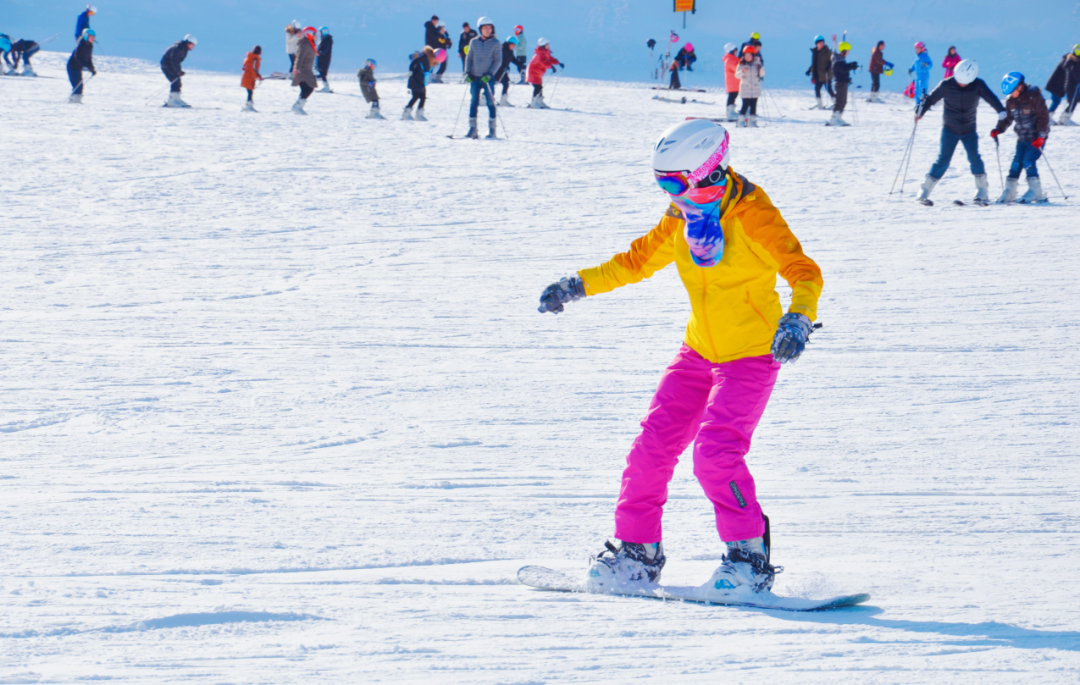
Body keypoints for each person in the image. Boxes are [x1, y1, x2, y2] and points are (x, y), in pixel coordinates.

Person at [536, 118, 823, 595]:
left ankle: (748, 561)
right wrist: (577, 285)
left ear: (708, 170)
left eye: (673, 182)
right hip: (697, 353)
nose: (668, 193)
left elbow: (804, 271)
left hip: (751, 355)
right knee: (650, 449)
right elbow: (635, 261)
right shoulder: (683, 214)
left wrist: (798, 318)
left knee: (716, 453)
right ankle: (636, 555)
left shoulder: (751, 214)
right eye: (660, 183)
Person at [914, 60, 1005, 206]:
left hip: (969, 130)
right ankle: (923, 192)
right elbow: (930, 99)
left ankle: (982, 192)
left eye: (965, 82)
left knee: (975, 159)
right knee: (943, 160)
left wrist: (1001, 110)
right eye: (959, 80)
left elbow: (991, 97)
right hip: (949, 129)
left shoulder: (978, 85)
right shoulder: (946, 84)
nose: (961, 84)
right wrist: (920, 111)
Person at [992, 72, 1051, 204]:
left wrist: (1041, 136)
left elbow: (1044, 117)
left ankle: (1036, 192)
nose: (1011, 94)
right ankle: (1010, 191)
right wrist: (999, 129)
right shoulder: (1010, 100)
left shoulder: (1034, 96)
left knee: (1028, 161)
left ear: (1020, 86)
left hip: (1036, 137)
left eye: (1013, 91)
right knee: (1016, 163)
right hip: (1022, 137)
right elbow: (1008, 118)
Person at [463, 16, 502, 139]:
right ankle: (472, 129)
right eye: (485, 27)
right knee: (473, 102)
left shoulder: (496, 43)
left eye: (489, 27)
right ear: (480, 29)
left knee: (490, 102)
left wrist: (490, 74)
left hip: (488, 79)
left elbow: (498, 61)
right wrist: (467, 73)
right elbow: (468, 58)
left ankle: (492, 130)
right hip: (475, 77)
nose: (488, 30)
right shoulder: (474, 42)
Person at [828, 41, 858, 127]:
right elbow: (843, 69)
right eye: (847, 51)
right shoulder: (837, 60)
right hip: (839, 83)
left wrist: (851, 66)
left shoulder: (840, 59)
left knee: (844, 101)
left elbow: (844, 70)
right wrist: (851, 66)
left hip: (843, 82)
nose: (848, 53)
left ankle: (838, 117)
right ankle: (833, 118)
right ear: (844, 51)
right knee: (839, 101)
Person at [526, 38, 563, 109]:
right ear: (543, 45)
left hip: (537, 73)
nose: (548, 45)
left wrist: (558, 63)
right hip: (533, 72)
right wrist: (551, 66)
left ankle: (539, 101)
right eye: (547, 44)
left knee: (540, 87)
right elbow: (543, 62)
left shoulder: (545, 53)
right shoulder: (540, 54)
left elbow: (550, 59)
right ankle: (533, 102)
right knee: (537, 87)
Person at [161, 35, 196, 108]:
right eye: (193, 45)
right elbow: (174, 61)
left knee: (178, 81)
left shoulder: (183, 48)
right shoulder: (179, 48)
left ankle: (176, 99)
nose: (193, 47)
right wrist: (178, 71)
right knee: (175, 81)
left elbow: (177, 62)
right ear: (188, 43)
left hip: (170, 65)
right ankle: (171, 101)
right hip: (167, 65)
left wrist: (179, 71)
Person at [404, 45, 436, 121]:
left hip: (421, 81)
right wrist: (411, 71)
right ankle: (406, 113)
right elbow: (414, 62)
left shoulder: (430, 61)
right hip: (415, 80)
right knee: (415, 96)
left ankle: (419, 114)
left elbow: (428, 71)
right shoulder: (423, 57)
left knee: (423, 97)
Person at [734, 45, 764, 127]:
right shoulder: (741, 64)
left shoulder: (757, 63)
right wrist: (742, 71)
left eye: (749, 55)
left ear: (753, 55)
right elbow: (737, 75)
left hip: (755, 88)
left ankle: (752, 121)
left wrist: (760, 68)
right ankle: (740, 121)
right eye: (745, 55)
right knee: (745, 105)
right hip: (745, 88)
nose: (747, 57)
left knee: (754, 105)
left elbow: (762, 74)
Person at [290, 26, 317, 115]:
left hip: (306, 70)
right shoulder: (305, 44)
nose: (316, 36)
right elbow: (299, 57)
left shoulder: (309, 43)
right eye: (314, 34)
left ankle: (298, 106)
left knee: (307, 88)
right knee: (309, 88)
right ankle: (298, 106)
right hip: (303, 71)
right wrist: (296, 68)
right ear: (309, 34)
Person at [67, 28, 96, 103]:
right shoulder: (81, 45)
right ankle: (73, 101)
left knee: (80, 85)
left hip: (78, 68)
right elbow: (78, 58)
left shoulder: (89, 46)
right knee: (77, 86)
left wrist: (92, 68)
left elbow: (88, 58)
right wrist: (86, 65)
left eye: (94, 37)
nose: (93, 38)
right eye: (91, 37)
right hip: (72, 67)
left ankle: (75, 100)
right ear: (86, 36)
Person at [1052, 47, 1080, 126]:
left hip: (1074, 85)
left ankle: (1065, 118)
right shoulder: (1072, 61)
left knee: (1074, 101)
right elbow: (1072, 72)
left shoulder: (1077, 61)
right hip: (1070, 85)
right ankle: (1064, 119)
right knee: (1073, 101)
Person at [806, 35, 832, 110]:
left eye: (823, 42)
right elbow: (814, 64)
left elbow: (831, 60)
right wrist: (809, 70)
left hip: (826, 74)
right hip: (818, 75)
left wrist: (829, 65)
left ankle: (836, 103)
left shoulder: (827, 51)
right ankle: (820, 104)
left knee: (829, 89)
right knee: (817, 89)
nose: (822, 44)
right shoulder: (815, 52)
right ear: (816, 44)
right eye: (820, 43)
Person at [494, 36, 519, 106]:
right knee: (492, 84)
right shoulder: (502, 49)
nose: (513, 47)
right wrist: (504, 66)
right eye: (513, 45)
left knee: (506, 83)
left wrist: (520, 64)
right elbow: (498, 60)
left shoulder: (510, 51)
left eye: (514, 45)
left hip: (503, 71)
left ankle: (503, 100)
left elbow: (513, 59)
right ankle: (484, 97)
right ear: (509, 43)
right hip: (496, 70)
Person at [241, 45, 263, 112]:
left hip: (246, 76)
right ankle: (248, 106)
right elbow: (253, 69)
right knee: (250, 92)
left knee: (250, 91)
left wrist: (258, 76)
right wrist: (258, 76)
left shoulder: (249, 57)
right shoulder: (255, 59)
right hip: (250, 77)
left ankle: (248, 105)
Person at [909, 42, 932, 106]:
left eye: (918, 49)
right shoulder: (915, 57)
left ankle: (924, 105)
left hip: (924, 76)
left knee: (923, 91)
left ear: (922, 48)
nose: (916, 51)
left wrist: (926, 65)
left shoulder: (926, 57)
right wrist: (911, 69)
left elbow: (930, 65)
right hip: (917, 77)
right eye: (915, 49)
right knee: (917, 92)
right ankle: (917, 105)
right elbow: (914, 65)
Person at [723, 42, 740, 121]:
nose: (737, 51)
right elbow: (736, 69)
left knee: (734, 96)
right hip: (733, 82)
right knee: (732, 96)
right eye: (736, 50)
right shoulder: (730, 60)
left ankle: (731, 111)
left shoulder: (732, 59)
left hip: (734, 82)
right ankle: (729, 112)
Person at [316, 27, 332, 93]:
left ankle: (326, 87)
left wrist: (319, 54)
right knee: (320, 73)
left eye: (320, 32)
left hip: (324, 59)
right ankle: (325, 86)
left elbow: (325, 49)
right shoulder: (323, 39)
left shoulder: (327, 40)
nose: (319, 33)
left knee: (322, 73)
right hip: (321, 58)